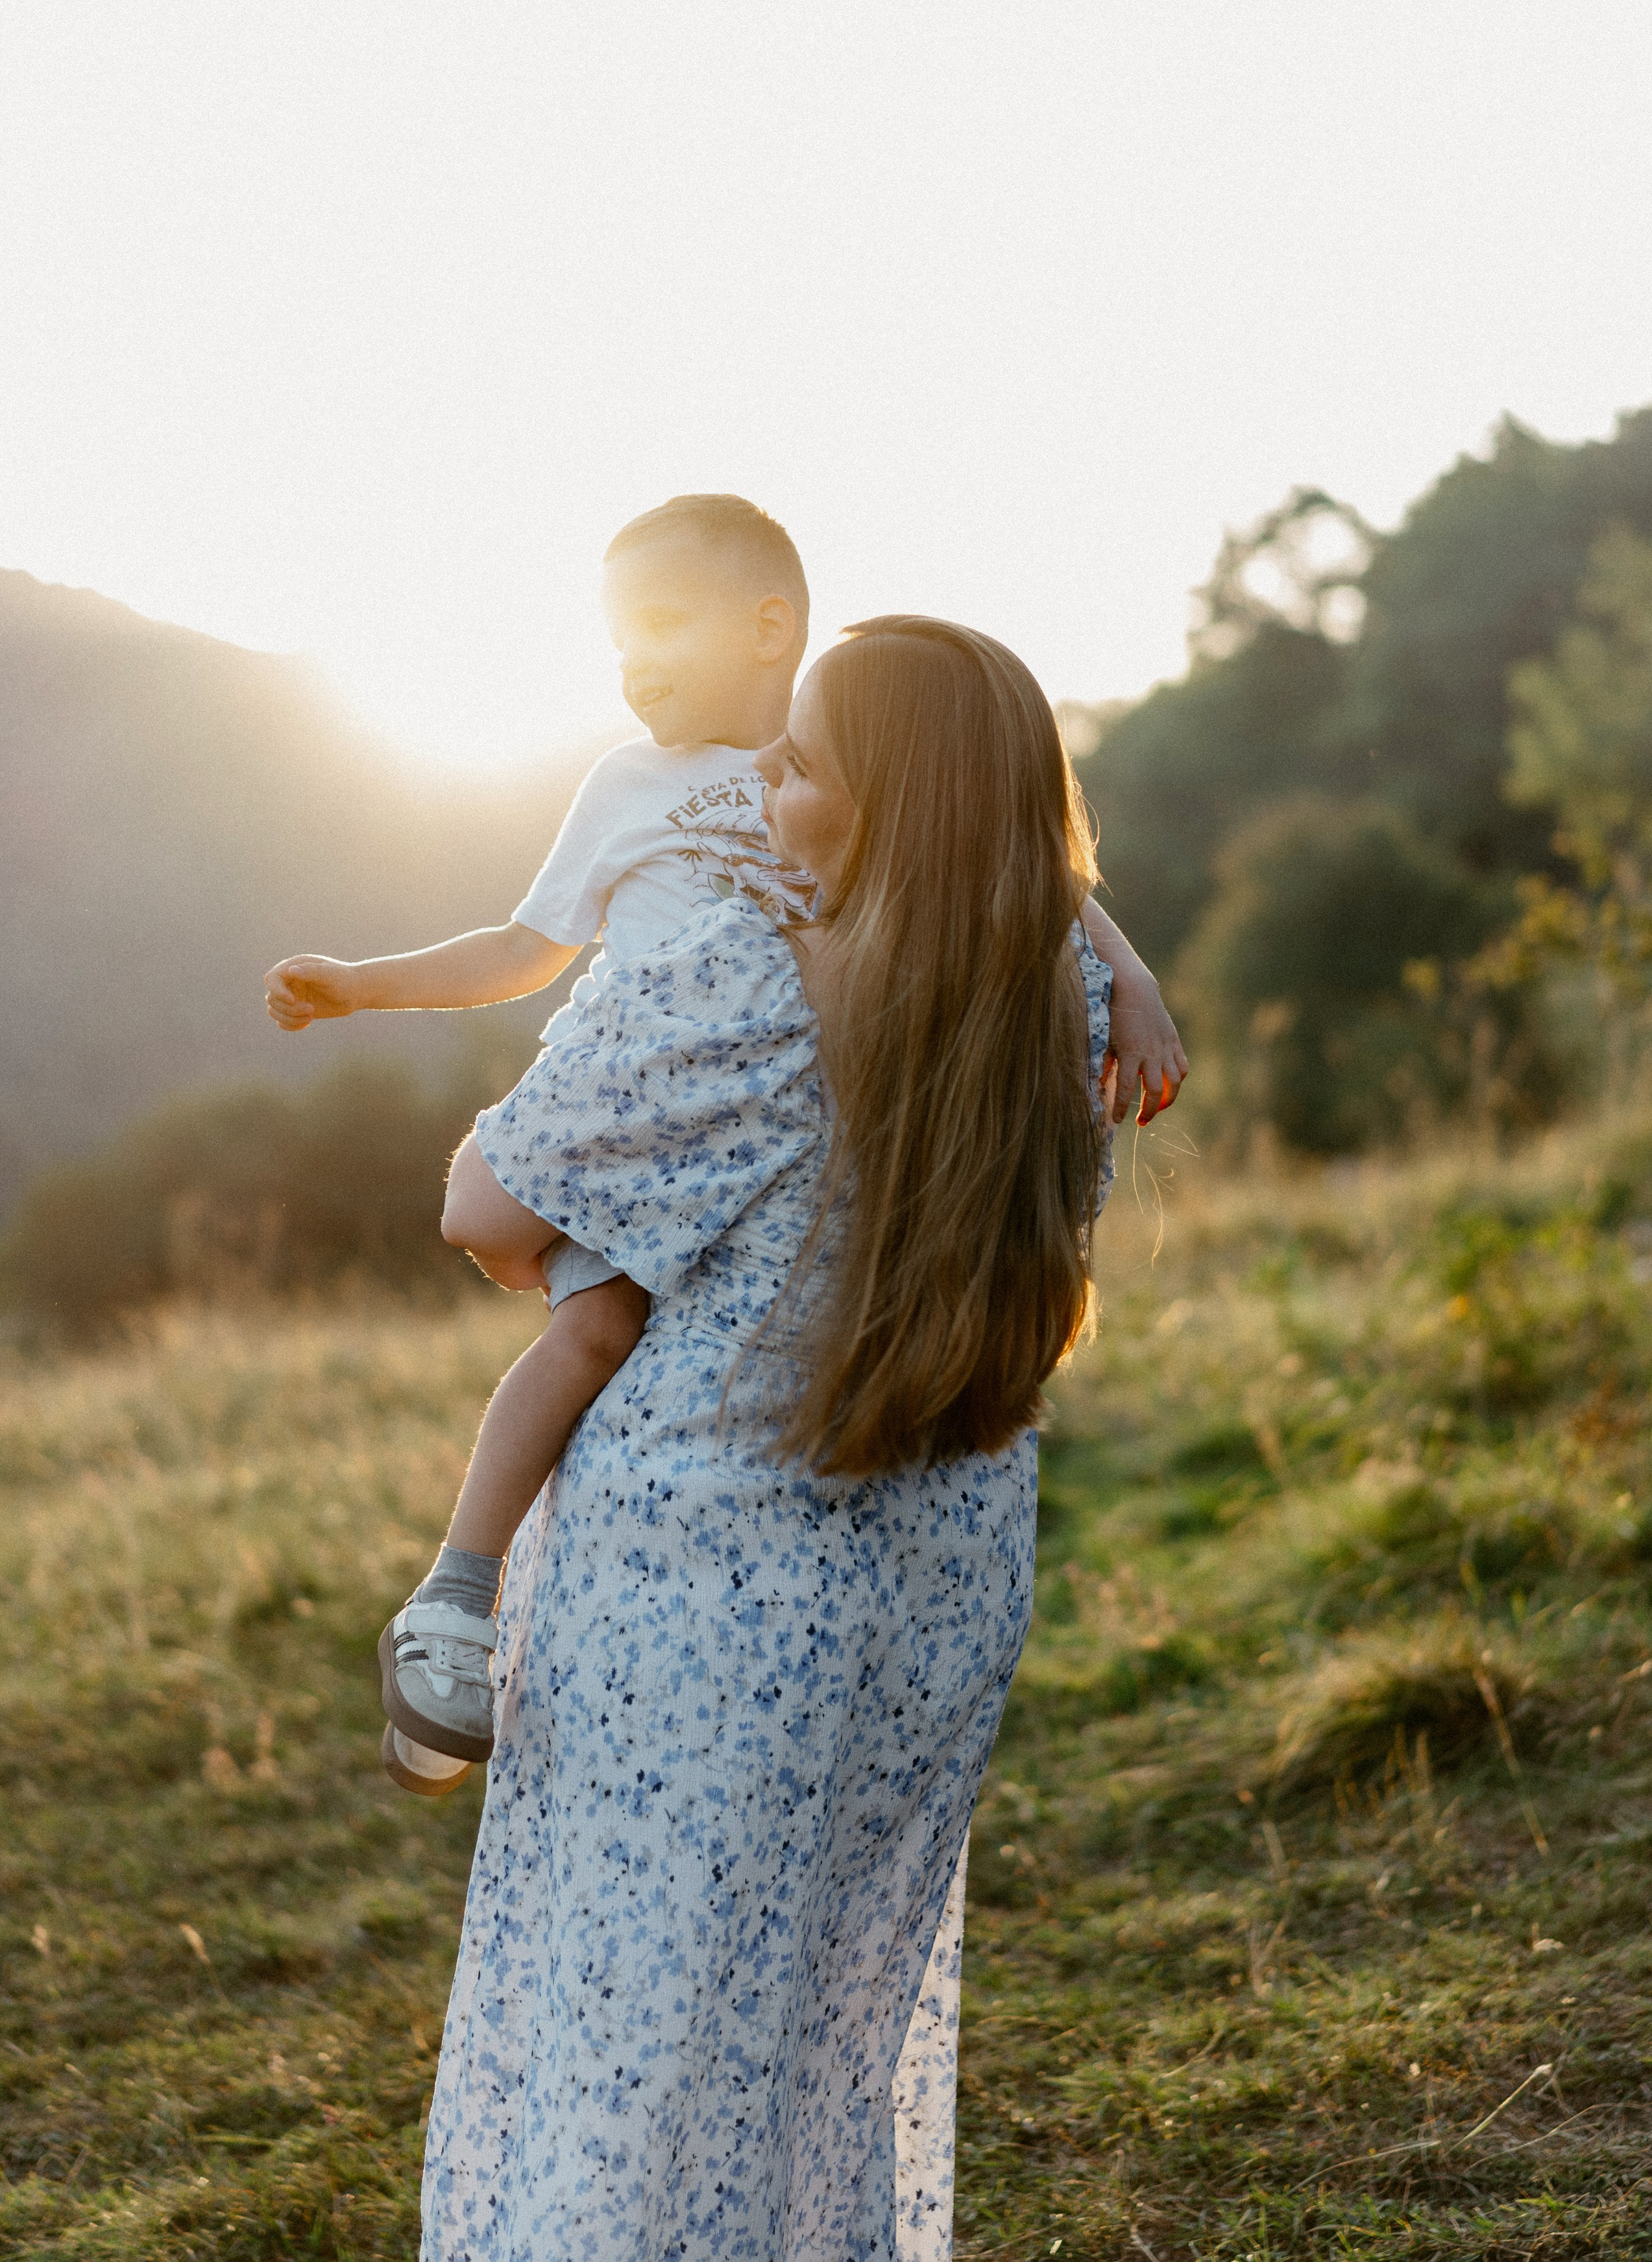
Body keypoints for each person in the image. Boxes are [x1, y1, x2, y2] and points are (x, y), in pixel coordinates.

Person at [420, 616, 1154, 2261]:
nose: (759, 769)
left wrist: (579, 1084)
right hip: (941, 1590)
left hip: (699, 1590)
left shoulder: (739, 975)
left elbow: (485, 1206)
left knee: (627, 2059)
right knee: (814, 2047)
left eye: (802, 760)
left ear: (888, 810)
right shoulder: (1070, 1000)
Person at [264, 502, 1185, 1778]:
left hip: (766, 1146)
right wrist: (362, 988)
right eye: (615, 640)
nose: (630, 664)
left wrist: (1131, 978)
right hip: (633, 1120)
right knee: (595, 1329)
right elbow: (527, 949)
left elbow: (1025, 863)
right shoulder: (625, 786)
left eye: (656, 627)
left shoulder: (862, 754)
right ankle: (456, 1605)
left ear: (768, 627)